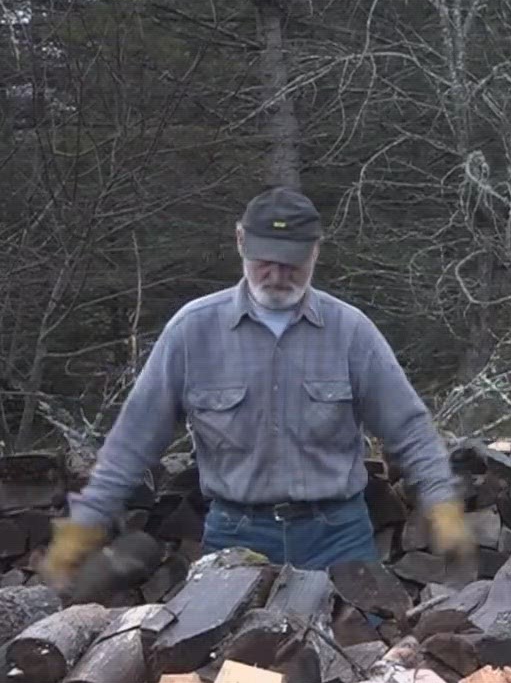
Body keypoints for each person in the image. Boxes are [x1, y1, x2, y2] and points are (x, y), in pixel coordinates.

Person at [44, 187, 473, 582]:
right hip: (236, 534)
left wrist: (441, 503)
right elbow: (134, 439)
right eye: (265, 259)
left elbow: (409, 428)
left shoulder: (351, 332)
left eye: (292, 262)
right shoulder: (193, 332)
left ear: (316, 252)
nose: (277, 274)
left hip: (338, 536)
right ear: (239, 242)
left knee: (362, 655)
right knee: (232, 664)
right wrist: (88, 520)